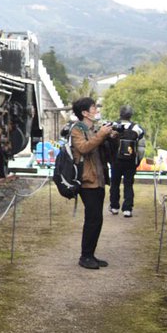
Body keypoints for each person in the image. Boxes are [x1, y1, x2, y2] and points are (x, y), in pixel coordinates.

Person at [70, 97, 113, 269]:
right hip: (87, 180)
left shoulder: (94, 129)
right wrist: (101, 135)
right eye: (94, 107)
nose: (96, 110)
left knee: (97, 219)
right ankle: (85, 256)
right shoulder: (76, 130)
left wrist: (110, 136)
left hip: (99, 179)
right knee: (92, 219)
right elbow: (84, 148)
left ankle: (91, 255)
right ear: (85, 112)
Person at [108, 104, 146, 217]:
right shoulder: (137, 128)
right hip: (130, 161)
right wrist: (138, 160)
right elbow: (141, 147)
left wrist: (109, 159)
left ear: (120, 114)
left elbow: (107, 144)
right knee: (128, 184)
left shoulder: (114, 126)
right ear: (131, 115)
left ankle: (114, 206)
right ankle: (127, 209)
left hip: (116, 160)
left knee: (114, 184)